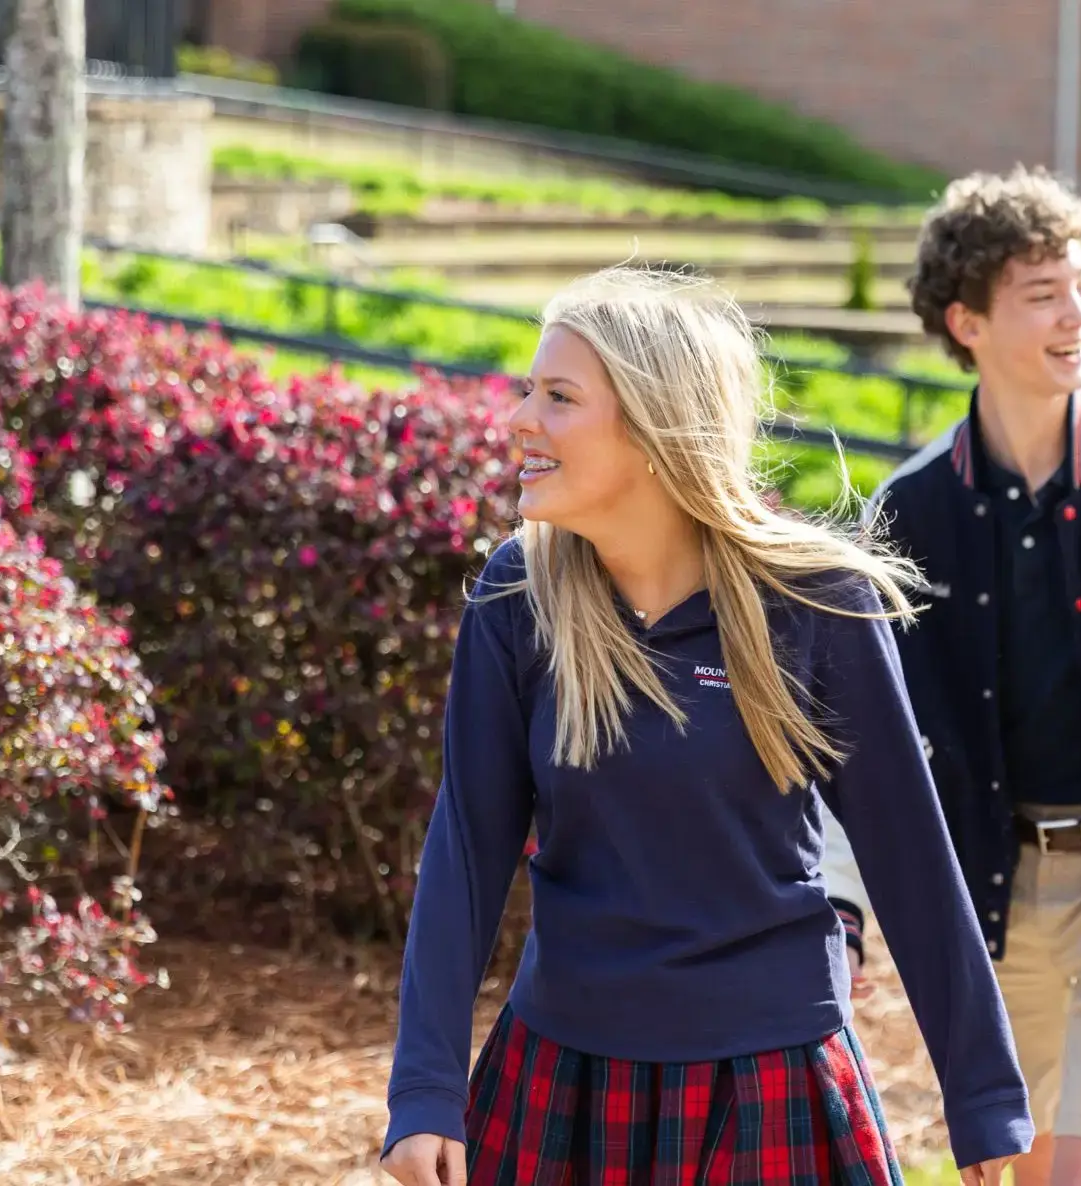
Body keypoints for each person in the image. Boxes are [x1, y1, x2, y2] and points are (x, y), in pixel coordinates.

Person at [377, 267, 1029, 1186]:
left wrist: (982, 1096)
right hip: (560, 1075)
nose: (520, 419)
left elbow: (908, 852)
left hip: (772, 1079)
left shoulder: (815, 604)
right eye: (530, 391)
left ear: (654, 428)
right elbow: (467, 854)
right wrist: (425, 1088)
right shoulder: (515, 596)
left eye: (557, 397)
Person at [820, 165, 1081, 1186]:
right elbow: (863, 732)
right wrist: (844, 906)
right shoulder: (904, 516)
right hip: (987, 896)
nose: (1076, 314)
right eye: (1041, 293)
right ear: (965, 320)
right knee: (1026, 1168)